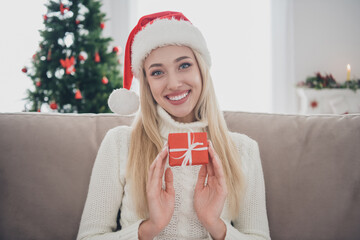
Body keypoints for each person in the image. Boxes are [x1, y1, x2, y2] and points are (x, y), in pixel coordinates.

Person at [77, 11, 271, 240]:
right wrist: (149, 228)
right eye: (157, 72)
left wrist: (215, 226)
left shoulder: (243, 150)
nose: (174, 83)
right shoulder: (120, 143)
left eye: (184, 65)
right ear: (146, 83)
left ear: (202, 70)